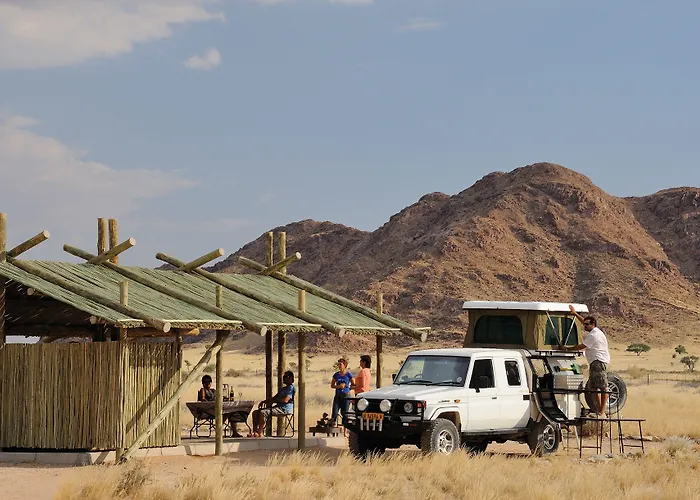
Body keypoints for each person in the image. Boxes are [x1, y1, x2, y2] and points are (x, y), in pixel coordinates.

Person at [561, 304, 611, 418]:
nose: (584, 326)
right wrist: (575, 314)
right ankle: (598, 410)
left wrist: (567, 349)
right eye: (584, 324)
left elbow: (581, 346)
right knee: (593, 387)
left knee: (603, 387)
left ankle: (602, 412)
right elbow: (584, 320)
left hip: (598, 362)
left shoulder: (594, 335)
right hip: (594, 362)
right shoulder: (595, 331)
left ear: (593, 325)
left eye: (587, 324)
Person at [249, 371, 295, 437]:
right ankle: (254, 432)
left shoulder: (291, 388)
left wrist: (276, 400)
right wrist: (264, 402)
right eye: (283, 377)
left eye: (285, 377)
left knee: (263, 412)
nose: (284, 378)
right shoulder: (283, 389)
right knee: (255, 412)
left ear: (291, 378)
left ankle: (259, 432)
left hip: (284, 409)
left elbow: (285, 400)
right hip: (278, 407)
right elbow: (274, 398)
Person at [330, 358, 354, 426]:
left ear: (344, 365)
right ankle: (333, 426)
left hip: (346, 395)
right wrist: (338, 386)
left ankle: (345, 427)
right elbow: (332, 385)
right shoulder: (336, 375)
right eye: (338, 364)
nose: (339, 366)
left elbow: (353, 384)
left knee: (344, 413)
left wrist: (348, 388)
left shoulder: (348, 375)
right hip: (338, 395)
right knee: (335, 411)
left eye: (340, 364)